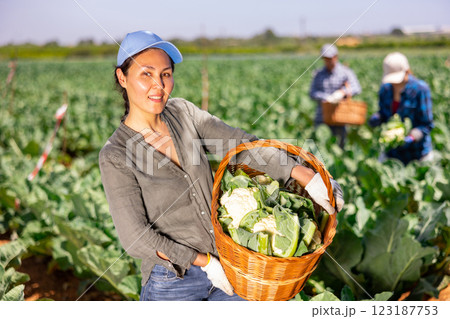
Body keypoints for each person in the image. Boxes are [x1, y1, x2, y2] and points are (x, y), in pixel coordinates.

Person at [99, 31, 344, 301]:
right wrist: (204, 262)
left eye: (166, 74)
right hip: (173, 281)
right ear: (123, 78)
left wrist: (304, 174)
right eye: (146, 74)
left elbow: (239, 146)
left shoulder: (183, 113)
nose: (158, 85)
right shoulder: (115, 154)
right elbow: (136, 237)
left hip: (231, 264)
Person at [369, 52, 434, 165]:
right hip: (392, 153)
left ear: (407, 71)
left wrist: (413, 136)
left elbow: (427, 124)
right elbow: (384, 114)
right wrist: (377, 118)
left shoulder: (420, 90)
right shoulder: (385, 89)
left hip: (418, 154)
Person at [309, 43, 362, 147]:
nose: (328, 61)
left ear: (336, 56)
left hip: (341, 117)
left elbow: (356, 88)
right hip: (322, 117)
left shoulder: (345, 72)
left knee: (340, 147)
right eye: (326, 58)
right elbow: (312, 93)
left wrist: (342, 92)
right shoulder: (318, 74)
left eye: (330, 58)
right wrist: (326, 97)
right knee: (320, 148)